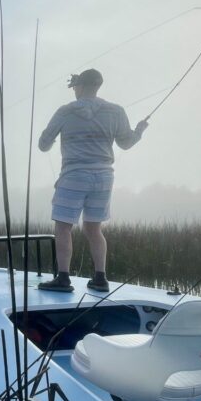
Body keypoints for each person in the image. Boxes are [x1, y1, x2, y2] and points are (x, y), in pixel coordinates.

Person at [37, 68, 148, 292]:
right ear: (98, 87)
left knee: (63, 227)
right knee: (93, 228)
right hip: (104, 176)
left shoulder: (65, 111)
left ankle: (63, 278)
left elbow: (43, 144)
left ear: (80, 87)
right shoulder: (116, 111)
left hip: (74, 175)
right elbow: (126, 143)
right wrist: (139, 130)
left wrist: (48, 137)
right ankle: (100, 278)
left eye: (75, 86)